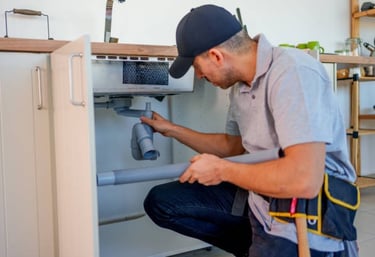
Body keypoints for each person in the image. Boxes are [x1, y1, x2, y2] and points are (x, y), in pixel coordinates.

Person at [141, 4, 358, 257]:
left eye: (197, 67)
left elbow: (304, 180)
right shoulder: (240, 86)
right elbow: (232, 147)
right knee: (162, 203)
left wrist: (221, 170)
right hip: (261, 201)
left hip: (307, 212)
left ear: (216, 56)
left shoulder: (293, 73)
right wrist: (171, 129)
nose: (199, 76)